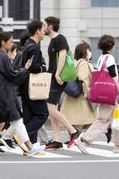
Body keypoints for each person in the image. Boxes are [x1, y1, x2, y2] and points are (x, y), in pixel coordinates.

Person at [0, 32, 45, 158]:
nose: (13, 44)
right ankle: (30, 147)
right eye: (11, 42)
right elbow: (12, 76)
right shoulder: (2, 57)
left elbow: (10, 74)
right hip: (3, 95)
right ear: (3, 42)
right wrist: (25, 69)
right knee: (15, 120)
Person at [74, 35, 119, 154]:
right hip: (109, 94)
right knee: (103, 121)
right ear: (111, 45)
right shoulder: (109, 58)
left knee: (116, 117)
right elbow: (113, 76)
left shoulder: (101, 58)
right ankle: (83, 140)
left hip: (104, 92)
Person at [43, 16, 79, 150]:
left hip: (58, 78)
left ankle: (73, 132)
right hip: (53, 77)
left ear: (51, 26)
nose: (44, 28)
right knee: (53, 109)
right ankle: (57, 140)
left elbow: (63, 55)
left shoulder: (60, 38)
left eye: (45, 25)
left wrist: (57, 74)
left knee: (51, 108)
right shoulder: (52, 40)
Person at [18, 21, 49, 145]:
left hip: (25, 85)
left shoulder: (26, 45)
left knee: (29, 116)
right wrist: (43, 68)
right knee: (42, 114)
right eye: (42, 30)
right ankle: (22, 135)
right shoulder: (34, 47)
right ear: (37, 31)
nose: (44, 32)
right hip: (33, 86)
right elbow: (33, 67)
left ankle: (31, 145)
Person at [60, 41, 97, 130]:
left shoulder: (73, 62)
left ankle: (74, 135)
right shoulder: (83, 63)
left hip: (70, 95)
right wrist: (85, 92)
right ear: (84, 52)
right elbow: (83, 79)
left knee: (72, 119)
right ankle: (76, 136)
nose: (90, 52)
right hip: (80, 96)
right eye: (88, 50)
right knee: (83, 119)